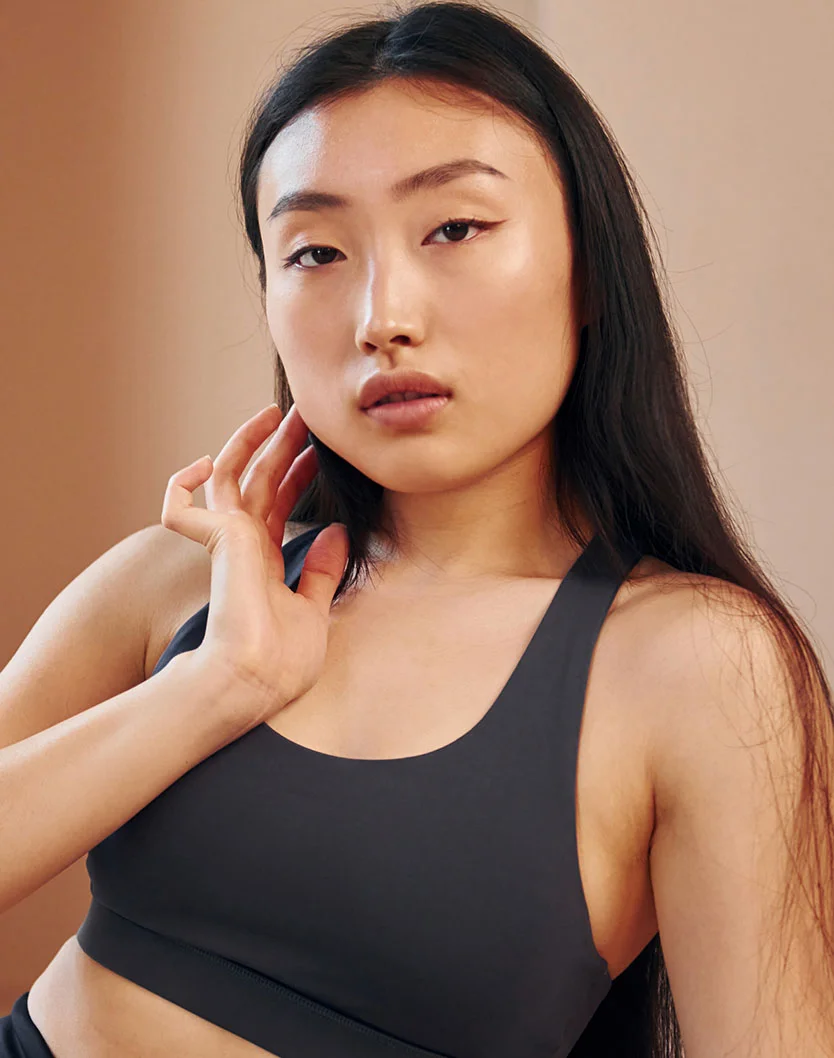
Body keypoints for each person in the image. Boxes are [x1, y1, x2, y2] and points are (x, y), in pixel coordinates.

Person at [1, 2, 832, 1056]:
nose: (383, 315)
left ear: (588, 271)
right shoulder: (187, 575)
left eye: (455, 228)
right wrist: (216, 685)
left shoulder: (700, 665)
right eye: (314, 252)